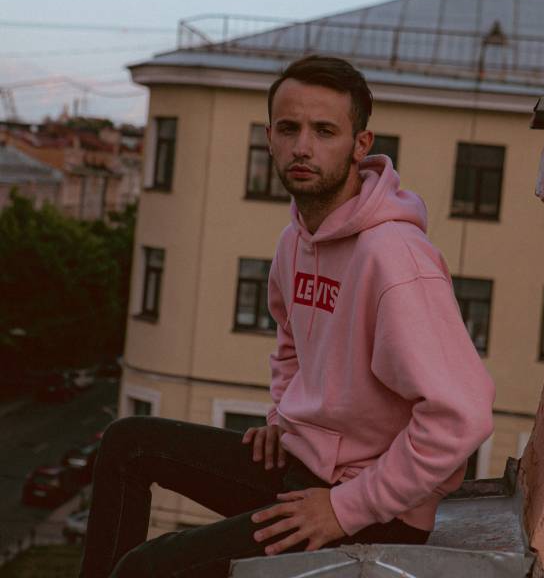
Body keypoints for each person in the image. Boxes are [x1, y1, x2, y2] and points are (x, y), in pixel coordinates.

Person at [79, 55, 495, 578]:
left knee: (145, 569)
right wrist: (281, 420)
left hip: (372, 510)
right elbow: (290, 345)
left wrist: (346, 508)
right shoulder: (294, 241)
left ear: (360, 145)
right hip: (302, 466)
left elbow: (462, 416)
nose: (303, 146)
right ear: (269, 138)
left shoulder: (395, 257)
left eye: (325, 131)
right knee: (128, 443)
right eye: (288, 128)